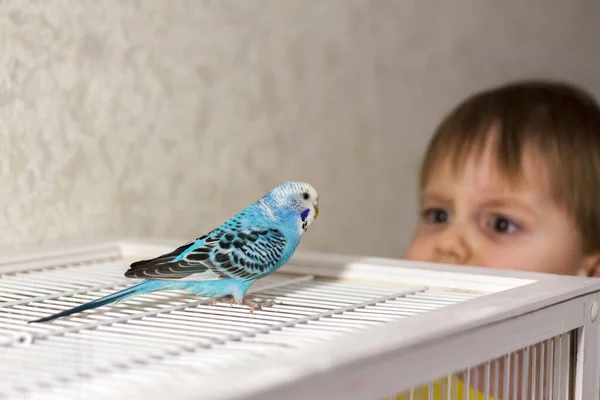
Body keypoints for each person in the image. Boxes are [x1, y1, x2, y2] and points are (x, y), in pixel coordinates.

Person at [394, 79, 600, 399]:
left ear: (591, 272)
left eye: (501, 224)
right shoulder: (389, 382)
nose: (449, 243)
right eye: (438, 216)